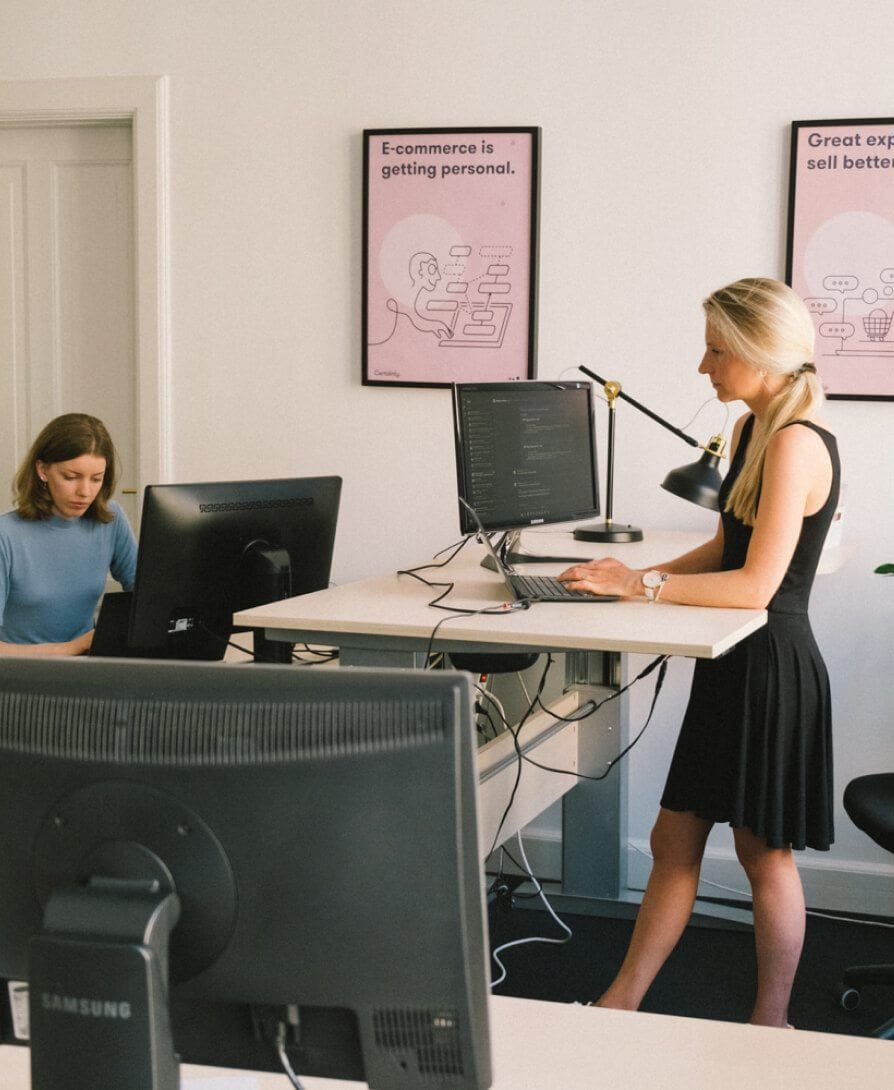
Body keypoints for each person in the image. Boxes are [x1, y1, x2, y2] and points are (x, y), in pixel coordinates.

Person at [559, 277, 839, 1028]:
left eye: (717, 350)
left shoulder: (795, 445)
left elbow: (754, 587)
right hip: (733, 665)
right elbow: (724, 546)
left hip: (771, 668)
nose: (703, 366)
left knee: (762, 854)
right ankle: (621, 1004)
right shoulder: (753, 430)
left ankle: (771, 1024)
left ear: (760, 353)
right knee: (672, 839)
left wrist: (640, 589)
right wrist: (628, 579)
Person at [0, 412, 137, 656]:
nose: (85, 491)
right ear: (42, 470)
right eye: (71, 477)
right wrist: (73, 648)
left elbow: (148, 594)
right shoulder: (6, 535)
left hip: (86, 671)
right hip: (20, 678)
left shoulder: (110, 518)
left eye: (96, 479)